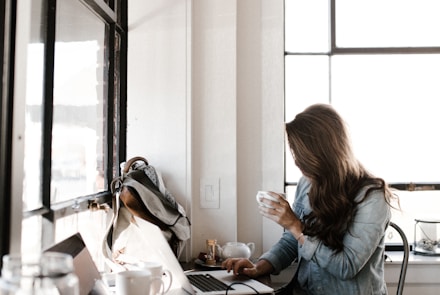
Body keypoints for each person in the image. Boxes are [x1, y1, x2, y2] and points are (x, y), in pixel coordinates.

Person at [222, 103, 397, 295]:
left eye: (302, 155)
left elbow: (346, 267)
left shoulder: (372, 198)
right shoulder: (307, 183)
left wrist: (296, 226)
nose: (297, 162)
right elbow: (292, 241)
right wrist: (259, 267)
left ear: (324, 153)